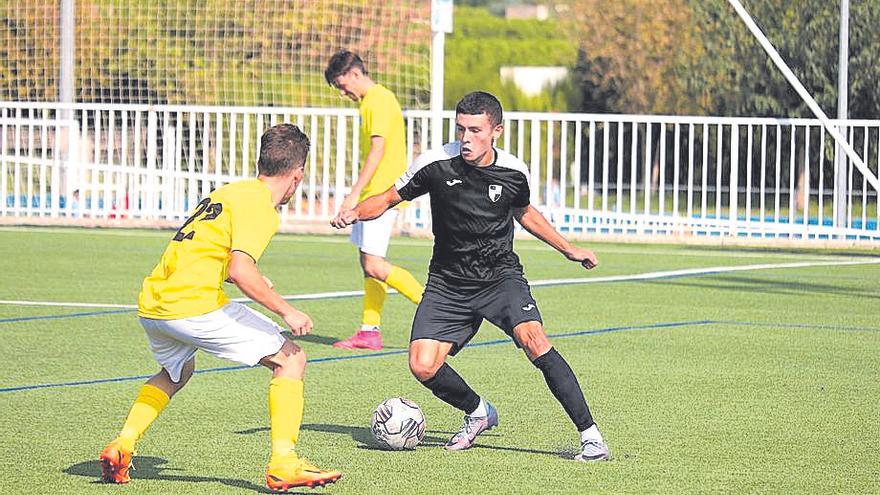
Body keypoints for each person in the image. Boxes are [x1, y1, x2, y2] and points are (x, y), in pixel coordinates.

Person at [332, 92, 611, 461]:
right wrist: (354, 212)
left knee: (534, 340)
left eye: (476, 130)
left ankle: (591, 437)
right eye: (461, 128)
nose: (466, 138)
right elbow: (387, 198)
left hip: (500, 277)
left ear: (496, 130)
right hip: (448, 281)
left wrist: (568, 249)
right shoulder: (435, 163)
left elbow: (525, 213)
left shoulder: (513, 171)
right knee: (422, 364)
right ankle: (479, 411)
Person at [99, 124, 342, 490]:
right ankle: (283, 462)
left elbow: (212, 253)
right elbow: (240, 268)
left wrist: (247, 278)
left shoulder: (230, 192)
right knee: (291, 359)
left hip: (154, 303)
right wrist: (286, 311)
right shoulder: (263, 207)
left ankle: (123, 443)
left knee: (177, 373)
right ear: (298, 174)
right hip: (192, 305)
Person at [324, 50, 424, 350]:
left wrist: (354, 196)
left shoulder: (377, 101)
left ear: (355, 73)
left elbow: (377, 151)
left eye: (342, 85)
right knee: (368, 262)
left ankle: (436, 307)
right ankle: (369, 331)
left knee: (375, 264)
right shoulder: (374, 100)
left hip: (379, 195)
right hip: (378, 193)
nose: (343, 92)